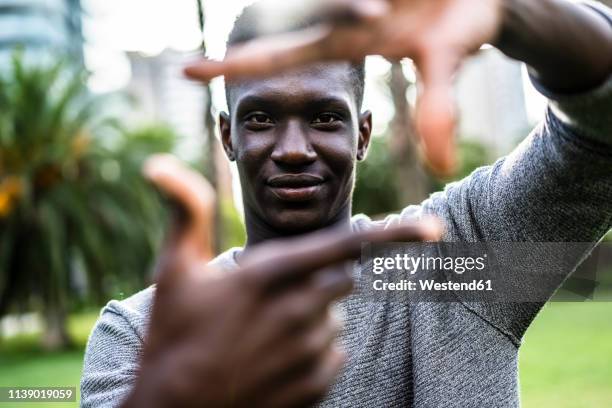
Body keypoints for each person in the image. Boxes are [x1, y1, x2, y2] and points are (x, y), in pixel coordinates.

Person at [81, 0, 612, 407]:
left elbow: (600, 134)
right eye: (262, 118)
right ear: (227, 135)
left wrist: (510, 11)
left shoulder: (450, 262)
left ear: (362, 134)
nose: (293, 149)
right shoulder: (139, 332)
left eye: (324, 117)